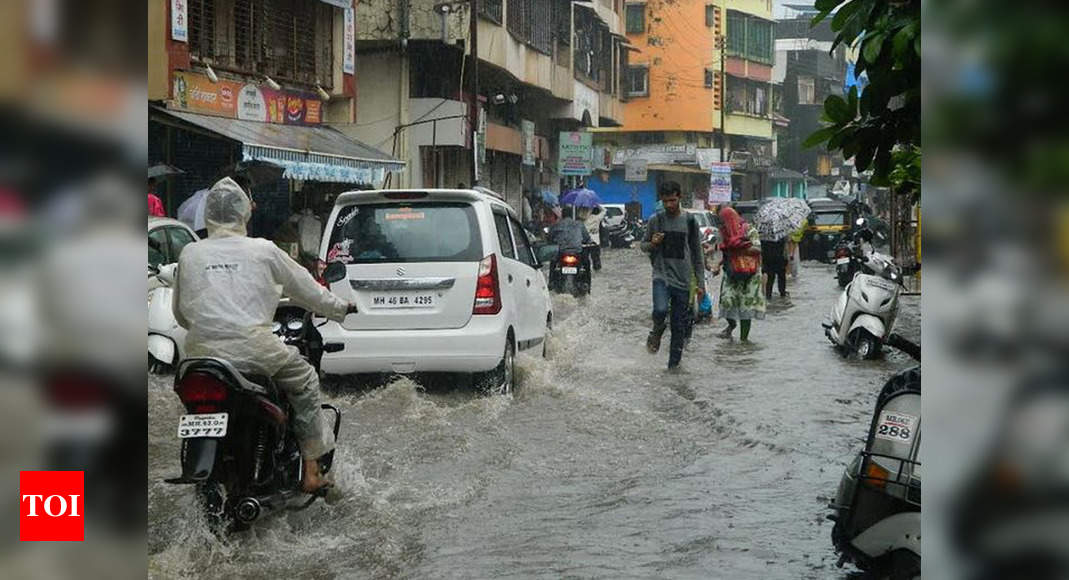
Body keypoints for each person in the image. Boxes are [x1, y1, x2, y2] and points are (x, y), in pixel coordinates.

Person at [173, 177, 357, 493]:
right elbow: (307, 289)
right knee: (306, 380)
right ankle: (311, 472)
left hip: (199, 357)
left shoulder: (190, 253)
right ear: (244, 212)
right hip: (255, 349)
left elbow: (181, 313)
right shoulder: (263, 250)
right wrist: (341, 307)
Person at [641, 181, 706, 370]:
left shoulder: (689, 221)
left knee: (679, 326)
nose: (669, 205)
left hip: (684, 281)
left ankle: (673, 368)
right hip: (661, 276)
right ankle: (657, 329)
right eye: (665, 201)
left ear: (679, 198)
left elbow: (697, 254)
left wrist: (700, 283)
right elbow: (643, 246)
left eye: (672, 200)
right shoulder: (656, 220)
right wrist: (653, 243)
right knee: (660, 310)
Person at [714, 207, 765, 341]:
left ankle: (744, 340)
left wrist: (740, 246)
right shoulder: (723, 233)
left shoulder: (748, 229)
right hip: (731, 272)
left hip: (750, 274)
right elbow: (725, 254)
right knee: (726, 301)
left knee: (745, 308)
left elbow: (758, 248)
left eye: (723, 220)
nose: (722, 224)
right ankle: (731, 326)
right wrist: (717, 265)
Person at [578, 205, 603, 271]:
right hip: (595, 242)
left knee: (584, 260)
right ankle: (597, 269)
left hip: (584, 242)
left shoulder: (581, 220)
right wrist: (596, 204)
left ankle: (586, 271)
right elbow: (604, 211)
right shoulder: (597, 218)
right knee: (596, 259)